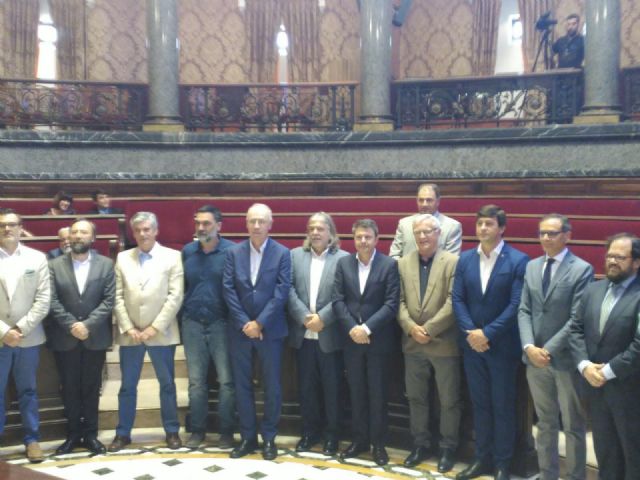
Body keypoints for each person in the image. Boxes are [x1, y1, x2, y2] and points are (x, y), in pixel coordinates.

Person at [452, 205, 529, 480]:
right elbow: (457, 299)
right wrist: (472, 332)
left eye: (489, 224)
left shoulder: (518, 260)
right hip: (472, 347)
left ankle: (502, 463)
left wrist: (488, 333)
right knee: (480, 404)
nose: (483, 228)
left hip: (502, 347)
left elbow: (516, 304)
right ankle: (481, 458)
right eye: (480, 223)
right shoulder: (465, 259)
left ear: (502, 228)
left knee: (502, 406)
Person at [518, 214, 592, 480]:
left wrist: (547, 350)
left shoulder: (581, 269)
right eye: (542, 233)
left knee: (572, 425)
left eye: (552, 233)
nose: (546, 238)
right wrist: (529, 346)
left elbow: (576, 318)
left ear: (567, 235)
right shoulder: (532, 266)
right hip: (534, 358)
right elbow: (524, 309)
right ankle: (547, 473)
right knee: (545, 422)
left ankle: (574, 476)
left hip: (564, 359)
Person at [108, 212, 184, 452]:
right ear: (133, 233)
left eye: (147, 229)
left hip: (161, 332)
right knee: (127, 386)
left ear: (156, 231)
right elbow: (117, 296)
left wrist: (154, 327)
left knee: (167, 384)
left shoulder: (173, 257)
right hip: (130, 334)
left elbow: (175, 296)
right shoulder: (123, 258)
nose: (142, 234)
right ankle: (123, 433)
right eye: (138, 230)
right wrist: (129, 327)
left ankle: (171, 430)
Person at [569, 233, 640, 480]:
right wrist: (585, 366)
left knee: (633, 455)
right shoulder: (593, 290)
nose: (612, 261)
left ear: (636, 262)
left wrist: (607, 372)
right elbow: (575, 330)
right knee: (605, 452)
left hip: (630, 390)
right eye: (610, 256)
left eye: (620, 257)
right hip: (595, 388)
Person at [222, 203, 290, 461]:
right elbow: (228, 289)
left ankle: (269, 437)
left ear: (270, 224)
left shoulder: (282, 253)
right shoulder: (233, 252)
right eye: (252, 221)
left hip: (270, 331)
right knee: (242, 386)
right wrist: (245, 323)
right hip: (240, 331)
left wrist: (259, 323)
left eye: (262, 221)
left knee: (272, 386)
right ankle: (248, 438)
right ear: (246, 223)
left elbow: (281, 292)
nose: (257, 225)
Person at [397, 214, 461, 473]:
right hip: (413, 344)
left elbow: (453, 301)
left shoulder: (453, 262)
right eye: (418, 232)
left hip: (443, 343)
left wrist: (429, 329)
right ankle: (420, 444)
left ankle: (448, 448)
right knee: (416, 398)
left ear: (438, 233)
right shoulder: (403, 263)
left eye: (428, 231)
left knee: (448, 400)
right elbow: (399, 301)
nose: (422, 236)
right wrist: (412, 328)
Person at [333, 219, 400, 466]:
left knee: (378, 394)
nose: (363, 241)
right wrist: (353, 328)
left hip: (378, 341)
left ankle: (378, 444)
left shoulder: (389, 265)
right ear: (353, 238)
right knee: (357, 392)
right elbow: (338, 300)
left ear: (377, 239)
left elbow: (391, 303)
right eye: (359, 237)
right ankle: (359, 440)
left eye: (368, 237)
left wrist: (367, 328)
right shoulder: (344, 264)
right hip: (352, 340)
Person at [47, 219, 115, 455]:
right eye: (74, 232)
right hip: (65, 337)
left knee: (91, 388)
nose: (77, 236)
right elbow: (51, 300)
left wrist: (87, 324)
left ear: (92, 238)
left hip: (94, 336)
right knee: (69, 388)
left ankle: (91, 435)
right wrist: (71, 325)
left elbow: (109, 300)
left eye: (83, 232)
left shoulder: (106, 265)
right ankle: (73, 434)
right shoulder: (54, 265)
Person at [288, 212, 348, 456]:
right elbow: (288, 289)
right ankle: (309, 433)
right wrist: (304, 317)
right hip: (303, 335)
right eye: (311, 228)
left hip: (329, 334)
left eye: (320, 228)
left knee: (332, 390)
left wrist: (322, 318)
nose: (315, 232)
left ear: (330, 232)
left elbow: (343, 294)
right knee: (307, 389)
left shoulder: (343, 259)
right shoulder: (294, 256)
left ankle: (332, 436)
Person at [181, 205, 236, 449]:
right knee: (196, 382)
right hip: (192, 322)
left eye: (207, 223)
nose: (201, 228)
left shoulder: (232, 252)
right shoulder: (187, 252)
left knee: (226, 381)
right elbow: (182, 287)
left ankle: (226, 432)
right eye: (198, 223)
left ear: (219, 226)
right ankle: (197, 431)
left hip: (221, 323)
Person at [0, 208, 50, 463]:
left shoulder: (37, 258)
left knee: (28, 390)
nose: (7, 229)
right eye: (2, 225)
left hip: (28, 337)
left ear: (21, 228)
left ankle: (32, 439)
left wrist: (19, 329)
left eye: (12, 224)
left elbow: (43, 300)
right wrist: (4, 331)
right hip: (0, 338)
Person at [390, 183, 462, 258]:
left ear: (438, 201)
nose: (424, 204)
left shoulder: (452, 227)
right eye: (421, 200)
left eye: (429, 200)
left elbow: (452, 260)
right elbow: (394, 255)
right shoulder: (404, 224)